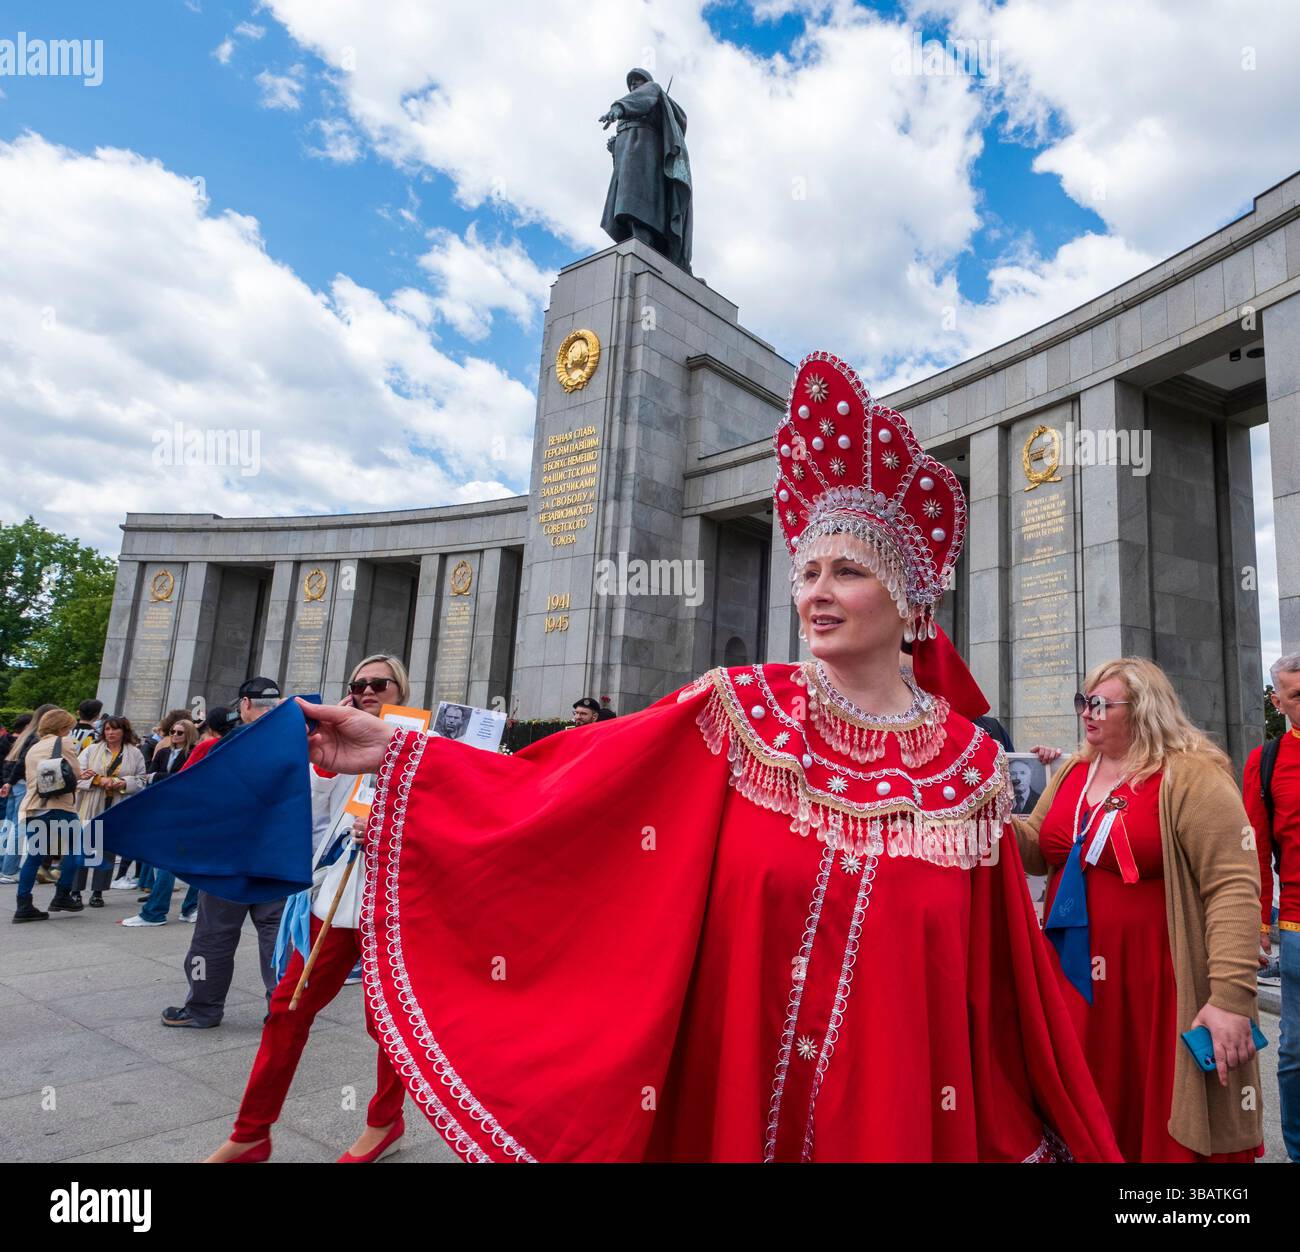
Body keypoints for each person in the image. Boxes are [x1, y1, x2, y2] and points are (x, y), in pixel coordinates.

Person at [292, 350, 1120, 1162]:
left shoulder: (969, 767)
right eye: (807, 572)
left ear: (909, 604)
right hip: (732, 1102)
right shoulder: (740, 714)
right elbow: (569, 787)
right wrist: (403, 748)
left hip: (895, 1115)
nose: (816, 592)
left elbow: (998, 981)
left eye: (848, 572)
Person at [1013, 658, 1263, 1161]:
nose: (1088, 713)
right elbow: (1038, 846)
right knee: (1081, 1100)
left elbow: (1233, 884)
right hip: (1069, 972)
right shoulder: (1075, 771)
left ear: (1145, 709)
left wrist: (1231, 997)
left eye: (1101, 704)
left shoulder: (1191, 772)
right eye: (1084, 702)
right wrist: (984, 810)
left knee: (1149, 1109)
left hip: (1156, 981)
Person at [203, 655, 411, 1163]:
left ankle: (385, 1122)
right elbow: (314, 820)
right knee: (286, 1009)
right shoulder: (340, 741)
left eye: (377, 683)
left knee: (386, 1023)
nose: (365, 691)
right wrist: (319, 752)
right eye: (357, 684)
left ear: (399, 689)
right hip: (335, 897)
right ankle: (252, 1131)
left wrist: (395, 827)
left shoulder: (421, 743)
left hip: (396, 905)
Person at [161, 680, 285, 1027]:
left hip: (227, 857)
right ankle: (282, 1009)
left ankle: (203, 1008)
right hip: (276, 855)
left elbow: (194, 795)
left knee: (213, 935)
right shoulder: (294, 742)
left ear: (245, 703)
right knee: (275, 934)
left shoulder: (224, 745)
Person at [1244, 652, 1300, 1161]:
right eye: (1296, 694)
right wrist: (1259, 926)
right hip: (1297, 926)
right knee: (1295, 1051)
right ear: (1276, 700)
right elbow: (1256, 851)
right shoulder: (1265, 762)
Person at [11, 709, 90, 923]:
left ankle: (23, 904)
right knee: (75, 850)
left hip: (33, 807)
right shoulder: (64, 743)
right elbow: (74, 773)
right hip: (59, 806)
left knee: (34, 857)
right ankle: (62, 895)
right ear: (63, 728)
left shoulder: (33, 747)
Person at [73, 716, 147, 906]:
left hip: (116, 804)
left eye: (115, 729)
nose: (111, 733)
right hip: (91, 802)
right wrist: (97, 780)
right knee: (84, 846)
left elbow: (141, 780)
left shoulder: (135, 753)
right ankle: (75, 889)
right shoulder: (91, 750)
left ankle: (98, 891)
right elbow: (77, 776)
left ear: (124, 731)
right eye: (107, 729)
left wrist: (123, 783)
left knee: (106, 849)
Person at [0, 712, 33, 881]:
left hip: (9, 784)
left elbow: (7, 764)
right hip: (19, 783)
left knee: (8, 824)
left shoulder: (6, 741)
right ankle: (9, 869)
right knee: (18, 826)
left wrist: (6, 781)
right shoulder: (25, 742)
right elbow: (20, 765)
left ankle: (4, 865)